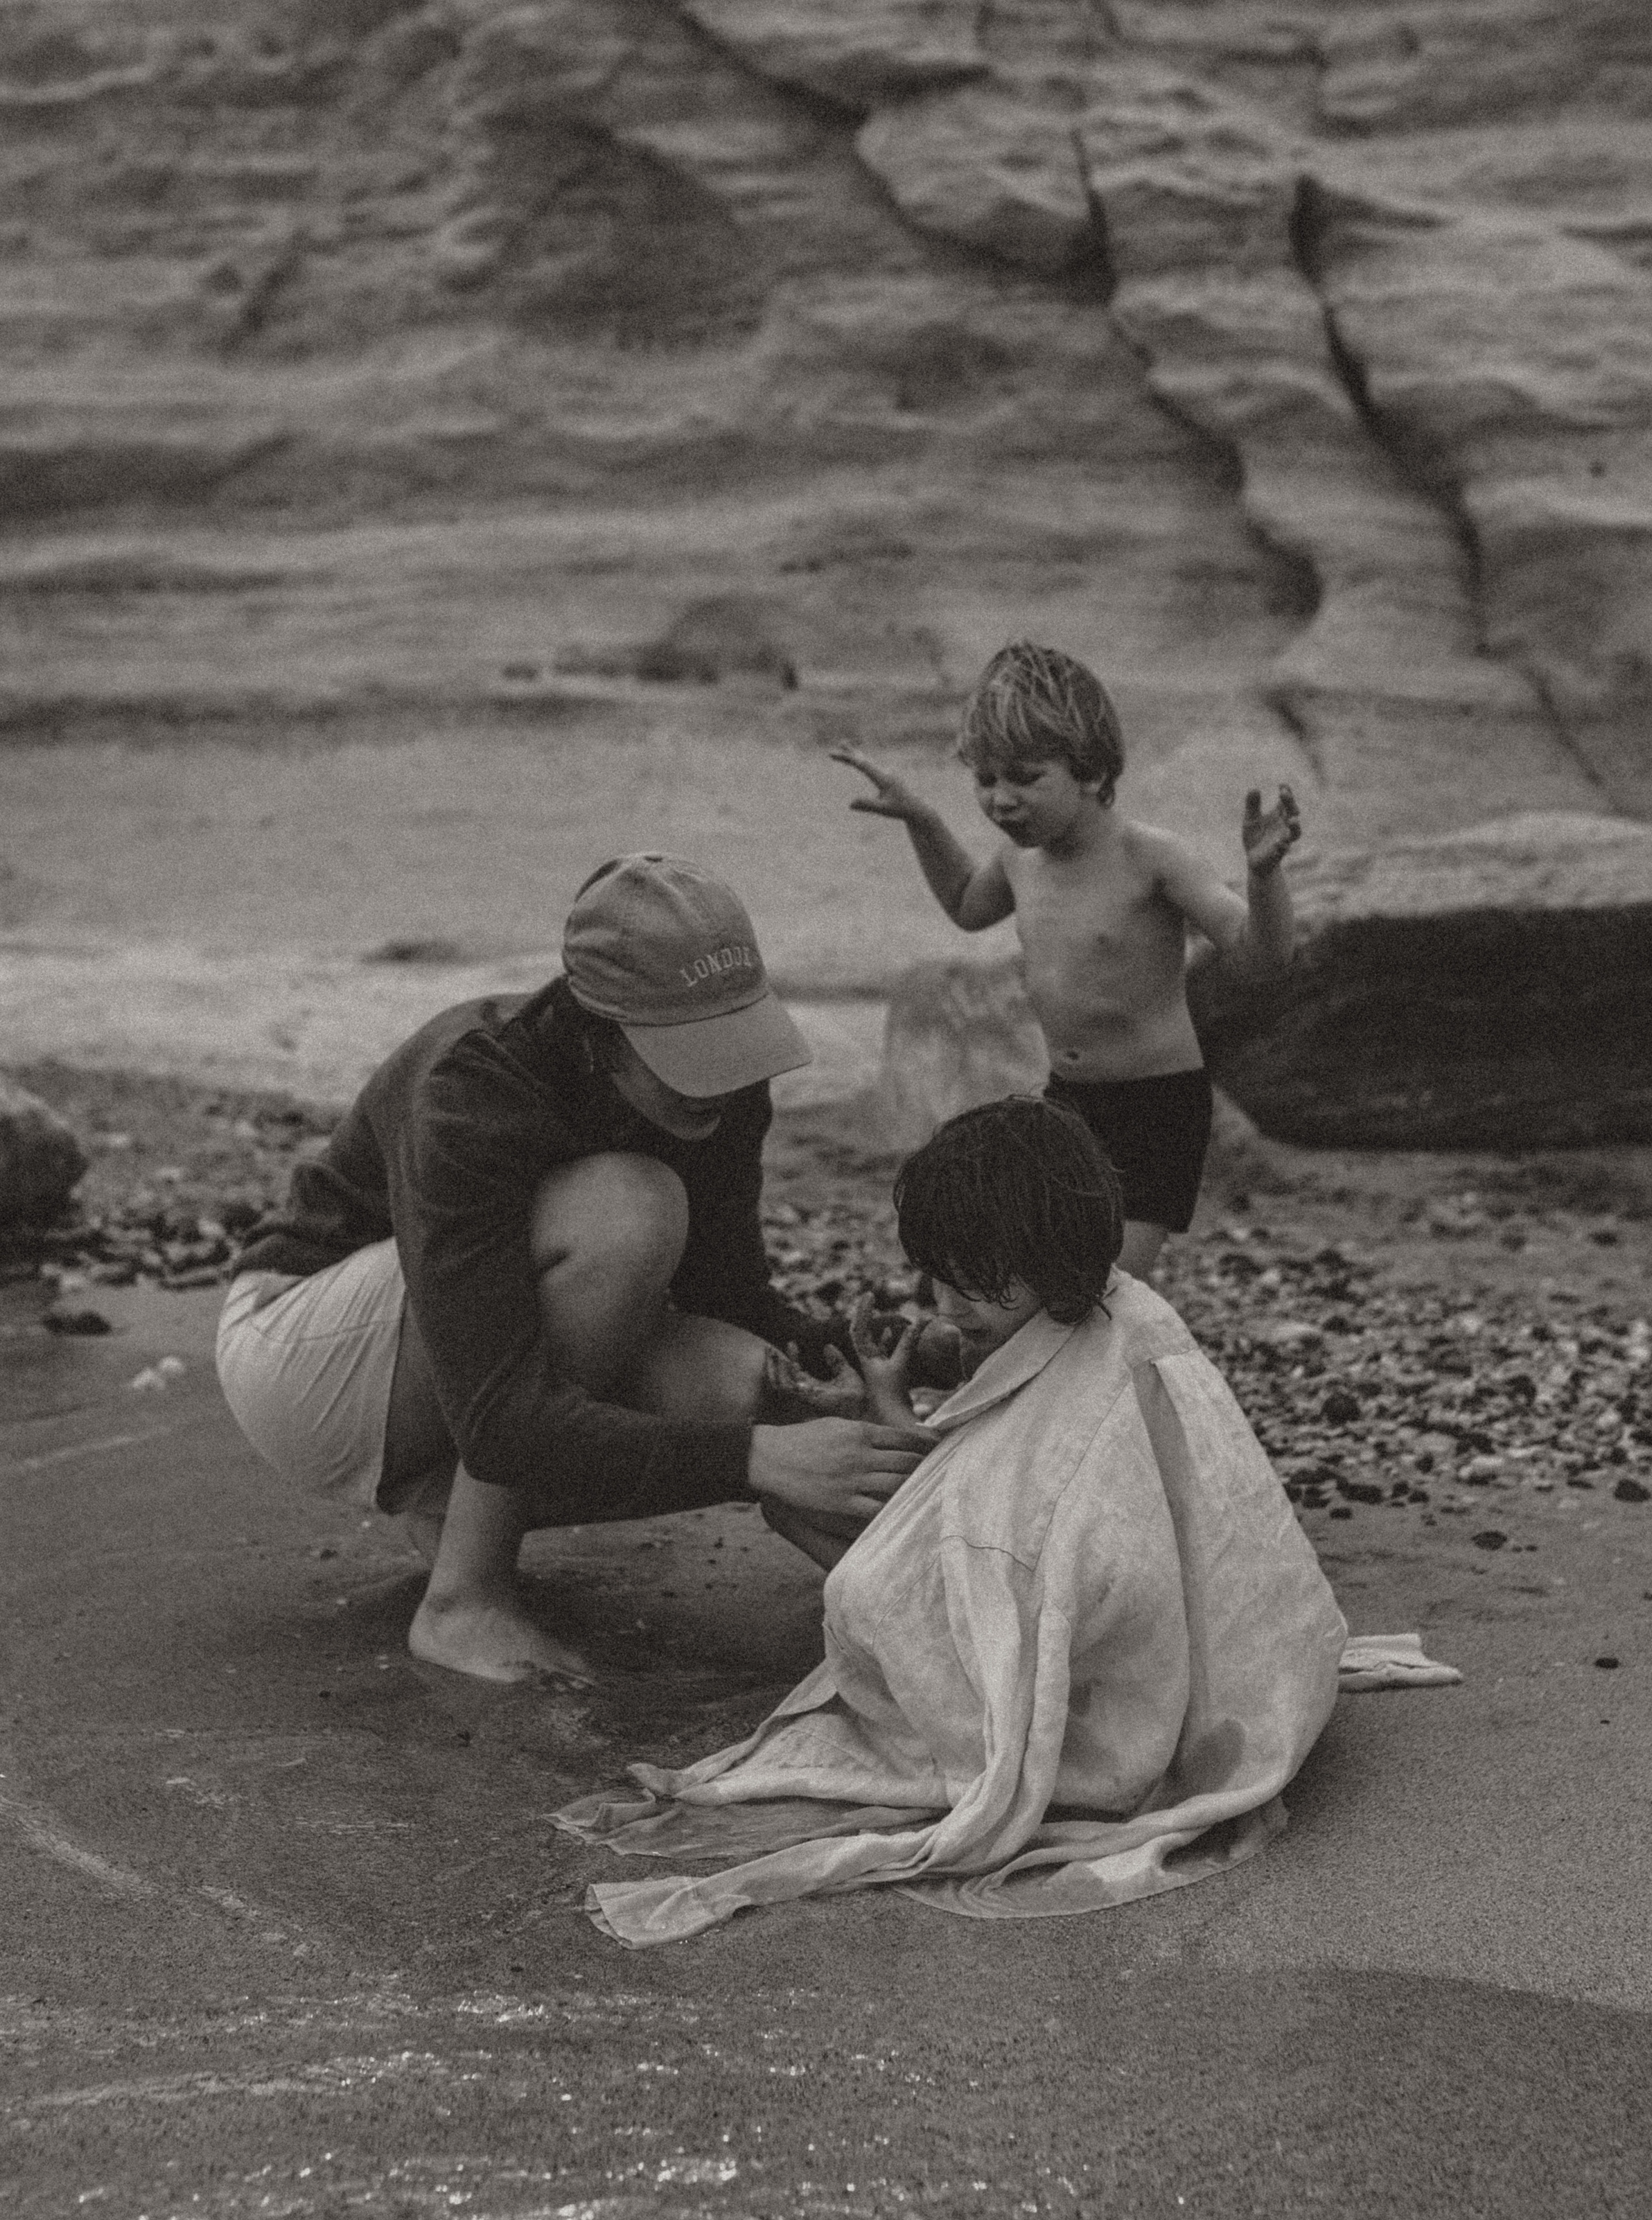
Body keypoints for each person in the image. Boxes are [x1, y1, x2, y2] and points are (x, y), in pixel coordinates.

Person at [557, 1097, 1347, 1944]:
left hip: (1105, 1672)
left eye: (967, 1280)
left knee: (846, 1558)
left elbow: (987, 1522)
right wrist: (889, 1397)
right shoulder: (1119, 1309)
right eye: (934, 1276)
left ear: (1037, 1258)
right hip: (1160, 1624)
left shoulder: (1079, 1395)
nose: (942, 1302)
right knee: (829, 1504)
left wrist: (880, 1453)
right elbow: (973, 1482)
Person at [215, 855, 933, 1686]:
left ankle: (447, 1512)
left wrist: (847, 1360)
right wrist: (756, 1462)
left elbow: (725, 1296)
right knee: (634, 1210)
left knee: (752, 1388)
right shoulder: (473, 1087)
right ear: (598, 1028)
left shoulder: (726, 1085)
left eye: (730, 1038)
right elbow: (501, 1424)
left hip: (447, 1366)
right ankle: (463, 1599)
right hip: (303, 1353)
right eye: (687, 1050)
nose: (721, 1078)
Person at [832, 640, 1301, 1280]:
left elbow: (1261, 959)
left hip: (1155, 1108)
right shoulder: (1018, 863)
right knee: (1041, 1274)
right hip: (1066, 1101)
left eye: (1026, 778)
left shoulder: (1152, 859)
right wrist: (922, 821)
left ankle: (1131, 1372)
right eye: (986, 779)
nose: (1001, 800)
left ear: (1091, 771)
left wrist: (1264, 877)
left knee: (1108, 1286)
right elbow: (967, 906)